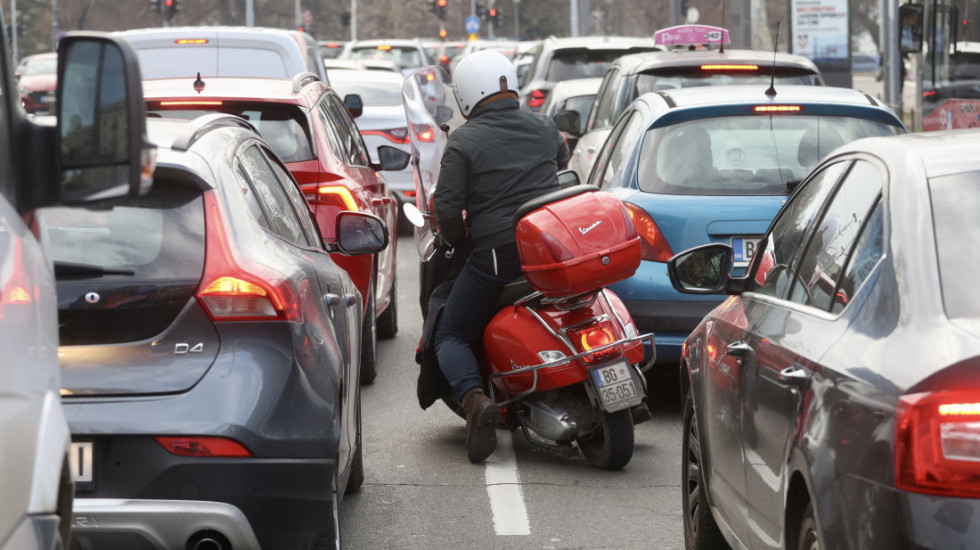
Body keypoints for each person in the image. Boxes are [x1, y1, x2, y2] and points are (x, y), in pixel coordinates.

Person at [433, 50, 569, 463]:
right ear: (510, 82)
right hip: (550, 253)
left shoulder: (463, 141)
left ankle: (475, 400)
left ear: (466, 94)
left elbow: (446, 207)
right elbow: (561, 162)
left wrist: (456, 239)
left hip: (497, 258)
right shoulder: (545, 126)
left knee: (450, 333)